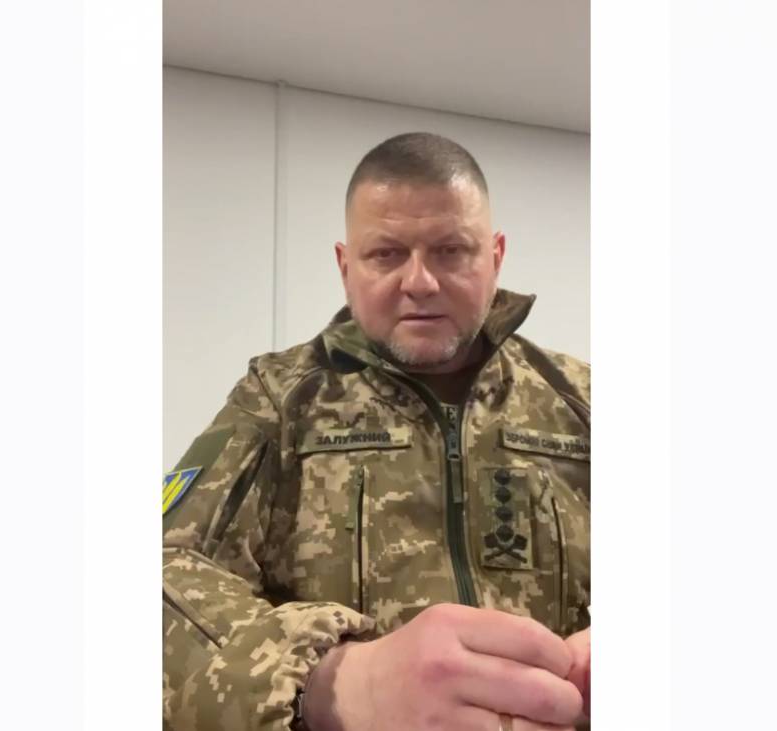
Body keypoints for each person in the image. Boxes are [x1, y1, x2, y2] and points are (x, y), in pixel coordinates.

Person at [163, 132, 590, 731]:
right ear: (346, 268)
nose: (420, 282)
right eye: (387, 254)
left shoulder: (581, 398)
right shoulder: (280, 399)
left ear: (495, 258)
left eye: (451, 251)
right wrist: (333, 682)